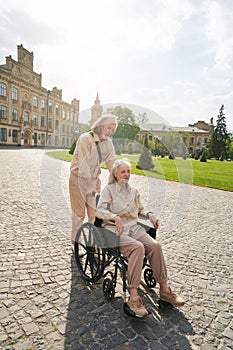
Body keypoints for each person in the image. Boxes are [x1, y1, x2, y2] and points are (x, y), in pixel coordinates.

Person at [96, 158, 185, 318]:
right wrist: (114, 217)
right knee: (137, 248)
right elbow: (100, 211)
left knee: (155, 246)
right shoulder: (109, 190)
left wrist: (149, 215)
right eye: (123, 171)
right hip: (114, 230)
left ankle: (164, 291)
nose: (126, 174)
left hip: (133, 228)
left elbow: (139, 211)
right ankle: (133, 297)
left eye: (128, 171)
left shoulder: (134, 191)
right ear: (115, 174)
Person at [69, 114, 117, 244]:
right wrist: (90, 186)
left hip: (94, 179)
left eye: (113, 130)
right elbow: (84, 165)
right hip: (78, 179)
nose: (111, 132)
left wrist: (119, 180)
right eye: (109, 128)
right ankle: (76, 243)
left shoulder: (108, 143)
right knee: (79, 214)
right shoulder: (86, 139)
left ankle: (93, 245)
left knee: (95, 214)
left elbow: (112, 163)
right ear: (100, 126)